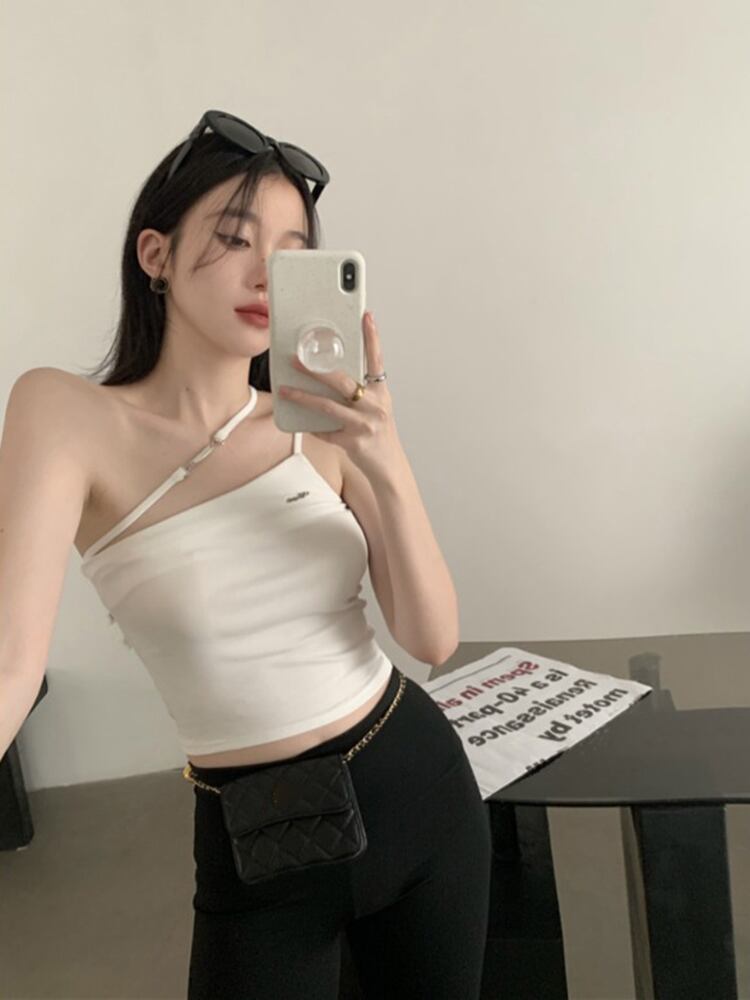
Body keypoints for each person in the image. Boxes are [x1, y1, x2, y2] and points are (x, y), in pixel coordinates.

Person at [0, 110, 492, 999]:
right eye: (233, 239)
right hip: (256, 840)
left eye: (291, 252)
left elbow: (433, 637)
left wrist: (387, 461)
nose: (264, 272)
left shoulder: (325, 427)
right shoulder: (65, 416)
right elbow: (7, 666)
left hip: (417, 790)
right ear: (154, 254)